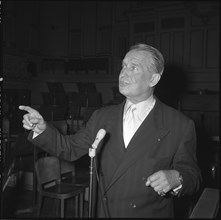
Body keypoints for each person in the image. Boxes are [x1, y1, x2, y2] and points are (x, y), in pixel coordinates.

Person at [19, 43, 201, 218]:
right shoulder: (102, 116)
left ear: (153, 79)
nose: (123, 73)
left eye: (133, 67)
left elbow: (192, 175)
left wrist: (177, 178)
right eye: (123, 66)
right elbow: (70, 148)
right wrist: (42, 129)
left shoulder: (180, 124)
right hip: (104, 212)